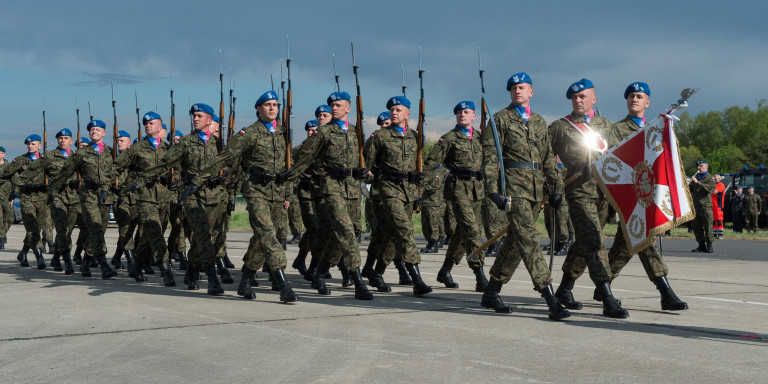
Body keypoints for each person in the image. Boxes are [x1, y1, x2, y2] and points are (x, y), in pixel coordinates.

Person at [184, 93, 298, 303]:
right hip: (256, 191)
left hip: (277, 192)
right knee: (268, 234)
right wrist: (199, 179)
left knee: (260, 239)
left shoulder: (284, 132)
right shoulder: (249, 133)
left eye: (275, 105)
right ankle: (283, 283)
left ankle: (245, 279)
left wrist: (289, 188)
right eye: (267, 105)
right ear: (258, 109)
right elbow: (225, 156)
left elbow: (289, 164)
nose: (272, 108)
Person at [481, 73, 570, 320]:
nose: (517, 91)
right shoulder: (500, 120)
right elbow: (489, 159)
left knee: (515, 244)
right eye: (513, 88)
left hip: (535, 189)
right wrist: (493, 191)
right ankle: (550, 297)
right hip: (513, 190)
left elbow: (548, 157)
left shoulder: (540, 122)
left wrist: (557, 187)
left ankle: (492, 291)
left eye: (522, 87)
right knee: (529, 240)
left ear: (531, 91)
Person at [599, 81, 687, 310]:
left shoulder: (653, 130)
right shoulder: (616, 130)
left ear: (647, 102)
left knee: (627, 243)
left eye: (639, 96)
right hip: (629, 198)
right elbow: (612, 165)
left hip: (647, 198)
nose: (634, 99)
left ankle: (604, 283)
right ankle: (665, 291)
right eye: (630, 96)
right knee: (643, 240)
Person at [549, 78, 629, 318]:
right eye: (574, 97)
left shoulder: (606, 125)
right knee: (594, 240)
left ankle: (564, 289)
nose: (578, 100)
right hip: (579, 190)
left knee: (583, 243)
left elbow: (619, 155)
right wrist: (554, 183)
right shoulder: (561, 127)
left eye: (583, 96)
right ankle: (606, 297)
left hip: (603, 192)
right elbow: (545, 157)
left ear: (594, 99)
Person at [292, 91, 373, 300]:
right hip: (330, 187)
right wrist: (286, 182)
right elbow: (304, 158)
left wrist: (363, 172)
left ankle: (318, 272)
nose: (333, 108)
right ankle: (358, 281)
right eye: (331, 105)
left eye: (338, 105)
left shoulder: (356, 132)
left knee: (335, 237)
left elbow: (360, 160)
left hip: (352, 189)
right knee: (346, 231)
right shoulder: (323, 133)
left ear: (348, 108)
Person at [363, 96, 432, 296]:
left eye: (398, 110)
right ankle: (417, 279)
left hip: (408, 191)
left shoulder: (415, 136)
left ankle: (375, 273)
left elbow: (421, 162)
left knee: (388, 235)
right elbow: (366, 164)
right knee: (404, 229)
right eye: (392, 109)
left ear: (407, 114)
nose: (394, 113)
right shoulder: (380, 136)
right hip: (387, 189)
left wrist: (420, 180)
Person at [423, 101, 489, 292]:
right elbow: (431, 162)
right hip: (459, 189)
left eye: (466, 112)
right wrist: (420, 187)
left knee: (462, 234)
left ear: (474, 116)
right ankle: (480, 275)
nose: (462, 115)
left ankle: (445, 270)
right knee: (472, 231)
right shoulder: (449, 138)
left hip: (477, 189)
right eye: (459, 112)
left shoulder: (480, 137)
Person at [114, 111, 177, 286]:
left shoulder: (168, 149)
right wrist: (109, 185)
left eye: (151, 123)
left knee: (150, 236)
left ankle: (136, 266)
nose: (148, 126)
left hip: (164, 197)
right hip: (144, 197)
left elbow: (177, 168)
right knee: (155, 232)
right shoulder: (137, 149)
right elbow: (116, 167)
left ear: (160, 125)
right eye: (146, 124)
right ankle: (166, 269)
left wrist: (175, 179)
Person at [49, 119, 118, 279]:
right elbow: (65, 172)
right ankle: (104, 265)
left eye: (98, 129)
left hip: (105, 197)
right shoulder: (81, 154)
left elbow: (117, 171)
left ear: (104, 133)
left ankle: (86, 261)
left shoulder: (110, 152)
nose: (95, 131)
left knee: (95, 231)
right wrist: (53, 189)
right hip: (88, 195)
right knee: (96, 229)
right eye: (92, 129)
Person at [34, 128, 80, 274]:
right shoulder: (49, 156)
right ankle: (67, 261)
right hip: (57, 196)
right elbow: (34, 170)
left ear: (71, 141)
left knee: (68, 231)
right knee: (61, 229)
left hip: (73, 197)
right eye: (60, 138)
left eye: (66, 138)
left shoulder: (77, 156)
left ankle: (55, 257)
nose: (63, 140)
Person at [2, 134, 47, 269]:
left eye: (33, 144)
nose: (30, 146)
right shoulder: (20, 160)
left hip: (41, 197)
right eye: (28, 144)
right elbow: (6, 173)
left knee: (36, 229)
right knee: (32, 228)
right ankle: (39, 256)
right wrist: (15, 187)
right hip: (26, 197)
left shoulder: (46, 160)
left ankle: (23, 253)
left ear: (40, 145)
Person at [690, 159, 716, 252]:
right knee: (696, 226)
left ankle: (709, 246)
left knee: (708, 226)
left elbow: (709, 189)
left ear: (706, 166)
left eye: (701, 166)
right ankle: (701, 245)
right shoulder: (696, 177)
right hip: (696, 206)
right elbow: (690, 190)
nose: (698, 167)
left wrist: (697, 182)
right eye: (698, 166)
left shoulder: (710, 178)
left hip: (706, 206)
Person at [0, 146, 12, 250]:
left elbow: (13, 181)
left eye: (0, 153)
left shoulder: (9, 166)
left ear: (4, 154)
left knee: (9, 217)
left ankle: (3, 233)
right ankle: (1, 239)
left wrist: (12, 197)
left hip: (7, 196)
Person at [712, 174, 725, 239]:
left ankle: (720, 234)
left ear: (719, 179)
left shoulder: (720, 185)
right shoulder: (714, 185)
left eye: (715, 178)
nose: (714, 179)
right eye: (714, 178)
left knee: (719, 219)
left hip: (718, 205)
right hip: (712, 205)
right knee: (713, 220)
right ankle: (714, 234)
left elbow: (714, 191)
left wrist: (707, 189)